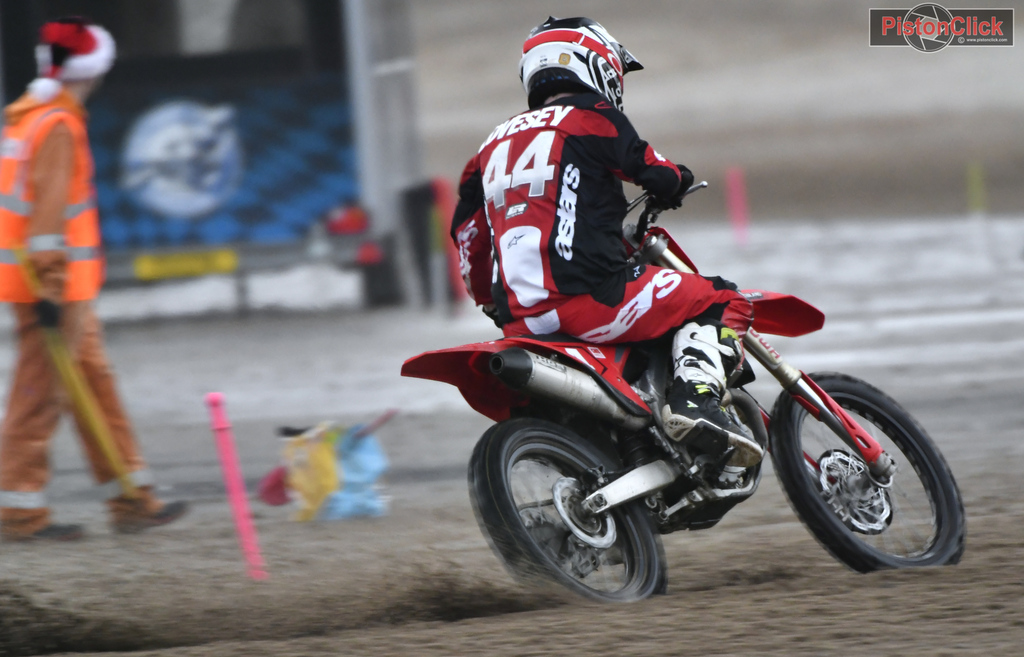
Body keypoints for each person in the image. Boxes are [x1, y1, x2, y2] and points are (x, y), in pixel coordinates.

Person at [451, 17, 762, 467]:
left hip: (520, 322)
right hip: (594, 300)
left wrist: (488, 300)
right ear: (594, 63)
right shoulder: (591, 119)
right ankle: (694, 402)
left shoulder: (487, 149)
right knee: (722, 299)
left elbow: (468, 240)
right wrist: (678, 182)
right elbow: (656, 171)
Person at [0, 18, 187, 541]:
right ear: (92, 70)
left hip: (59, 286)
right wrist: (53, 289)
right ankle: (18, 512)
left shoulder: (28, 117)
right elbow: (47, 222)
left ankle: (132, 500)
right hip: (54, 288)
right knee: (38, 396)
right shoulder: (57, 125)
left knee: (93, 388)